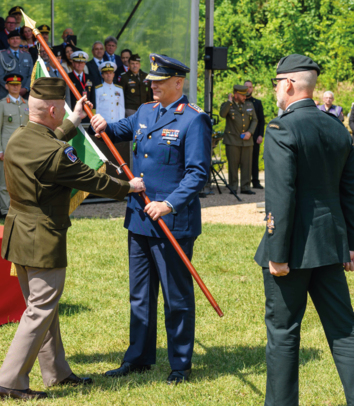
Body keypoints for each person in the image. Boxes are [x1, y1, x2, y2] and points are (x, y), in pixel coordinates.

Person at [0, 78, 145, 400]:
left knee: (44, 307)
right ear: (51, 109)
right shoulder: (57, 154)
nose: (62, 116)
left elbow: (49, 142)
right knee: (40, 310)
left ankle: (56, 373)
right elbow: (92, 179)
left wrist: (73, 121)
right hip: (42, 237)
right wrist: (127, 188)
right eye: (60, 111)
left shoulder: (20, 137)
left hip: (18, 233)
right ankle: (9, 381)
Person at [254, 53, 354, 406]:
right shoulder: (336, 128)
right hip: (329, 246)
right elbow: (351, 191)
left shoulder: (282, 128)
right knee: (345, 328)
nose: (277, 90)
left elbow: (281, 197)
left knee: (282, 333)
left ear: (290, 84)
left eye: (278, 83)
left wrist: (277, 254)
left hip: (291, 250)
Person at [90, 53, 211, 385]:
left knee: (176, 297)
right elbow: (116, 131)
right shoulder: (145, 111)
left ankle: (180, 364)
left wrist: (168, 204)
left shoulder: (193, 120)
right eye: (151, 82)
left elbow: (198, 172)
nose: (152, 87)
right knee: (140, 294)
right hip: (139, 219)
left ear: (177, 83)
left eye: (159, 82)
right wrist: (99, 124)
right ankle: (139, 357)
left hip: (171, 222)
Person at [0, 74, 29, 218]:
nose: (15, 87)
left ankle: (21, 209)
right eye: (12, 84)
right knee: (5, 181)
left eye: (17, 84)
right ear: (6, 86)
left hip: (24, 149)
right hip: (7, 148)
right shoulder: (1, 104)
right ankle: (6, 210)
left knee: (23, 180)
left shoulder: (26, 104)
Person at [220, 84, 258, 195]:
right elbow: (222, 114)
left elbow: (255, 120)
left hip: (247, 140)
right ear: (236, 95)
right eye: (242, 95)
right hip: (232, 140)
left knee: (247, 165)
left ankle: (245, 187)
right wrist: (229, 102)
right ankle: (233, 186)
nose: (245, 97)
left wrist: (250, 133)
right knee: (233, 165)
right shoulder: (228, 105)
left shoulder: (249, 104)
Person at [0, 29, 32, 99]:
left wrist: (26, 88)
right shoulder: (1, 55)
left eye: (17, 38)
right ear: (8, 41)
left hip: (24, 94)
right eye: (12, 39)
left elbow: (31, 74)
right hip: (7, 94)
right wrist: (13, 89)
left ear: (20, 40)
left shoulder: (27, 55)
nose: (15, 40)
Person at [245, 80, 265, 189]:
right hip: (242, 137)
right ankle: (243, 183)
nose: (248, 89)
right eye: (246, 87)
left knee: (254, 160)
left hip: (255, 136)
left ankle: (255, 181)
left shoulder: (257, 103)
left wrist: (260, 135)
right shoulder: (239, 102)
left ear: (253, 89)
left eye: (250, 87)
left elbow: (261, 120)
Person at [67, 51, 95, 123]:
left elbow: (92, 97)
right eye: (77, 62)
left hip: (86, 113)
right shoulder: (68, 77)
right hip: (73, 113)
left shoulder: (90, 78)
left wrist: (92, 114)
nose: (80, 64)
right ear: (73, 63)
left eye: (82, 62)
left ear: (85, 63)